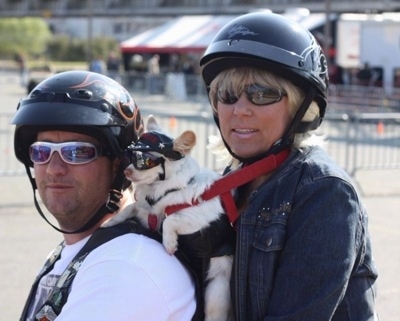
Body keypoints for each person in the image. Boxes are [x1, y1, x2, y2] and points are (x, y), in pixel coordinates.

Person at [199, 12, 379, 320]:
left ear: (299, 106)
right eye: (227, 95)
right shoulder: (232, 183)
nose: (240, 110)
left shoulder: (323, 192)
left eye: (262, 94)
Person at [11, 70, 196, 321]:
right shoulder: (87, 248)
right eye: (42, 151)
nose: (54, 168)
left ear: (120, 165)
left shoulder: (126, 267)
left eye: (77, 152)